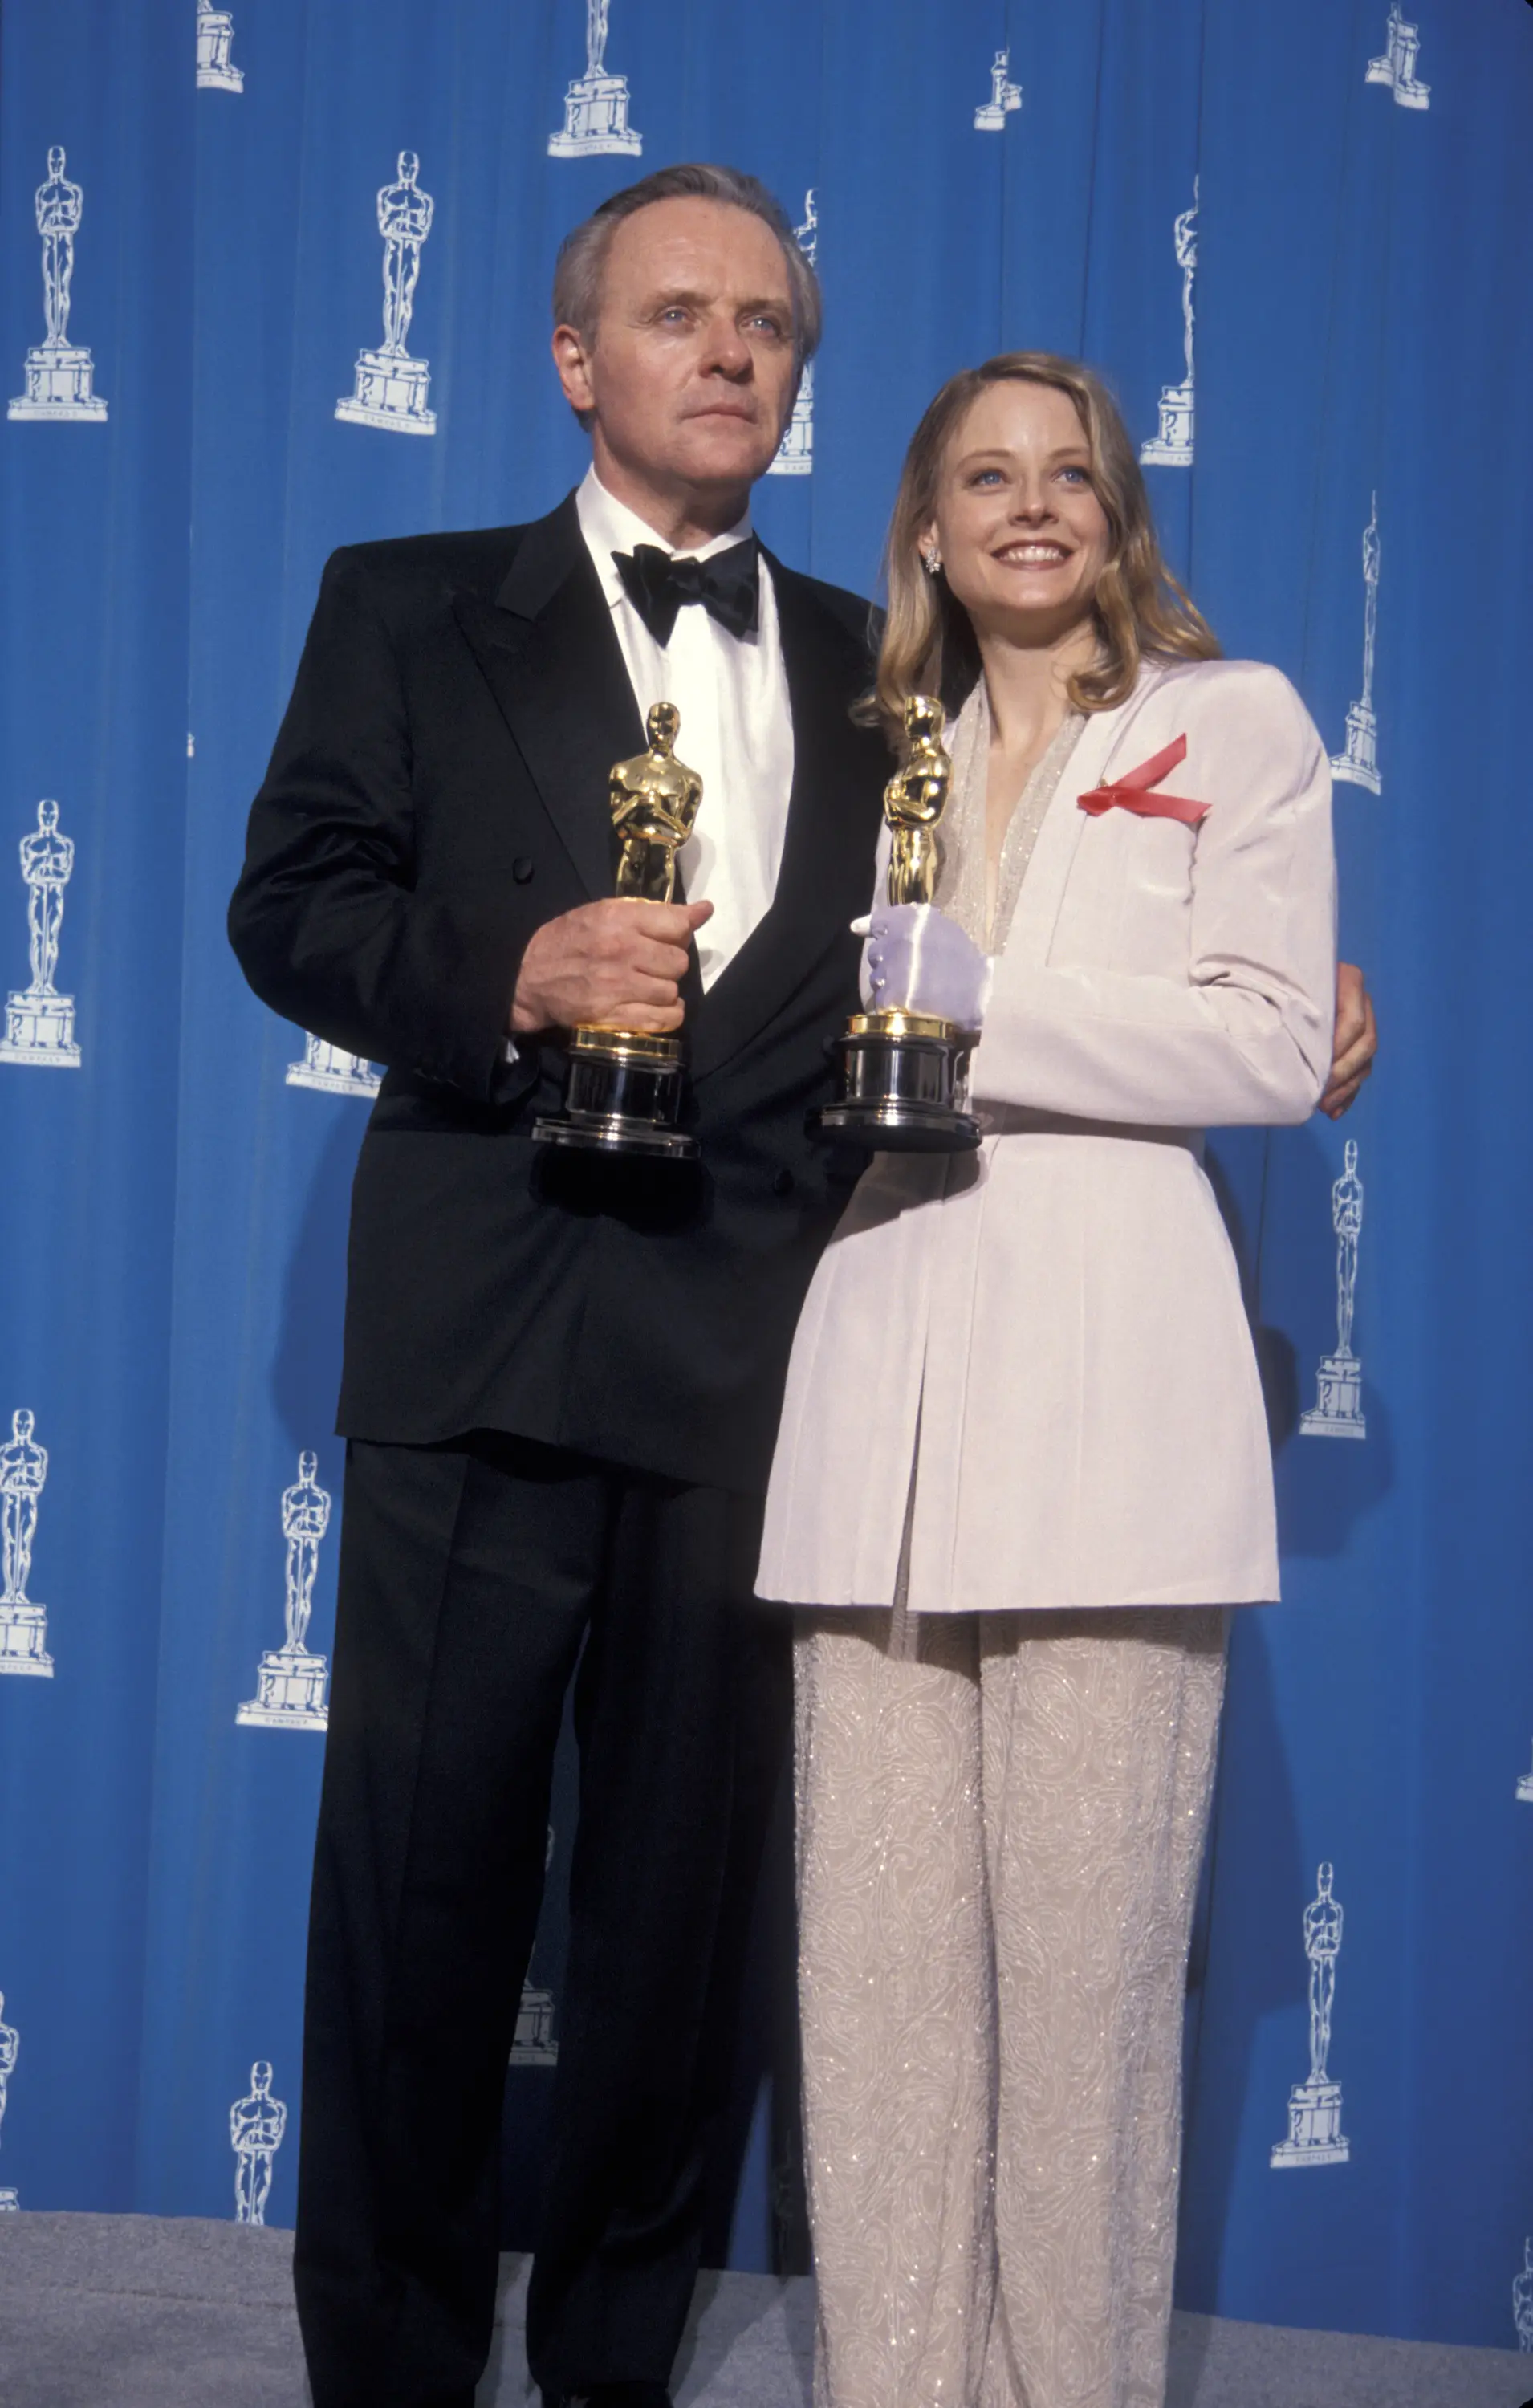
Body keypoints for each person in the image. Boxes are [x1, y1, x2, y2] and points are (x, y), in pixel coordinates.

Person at [229, 166, 1375, 2408]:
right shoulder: (406, 600)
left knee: (675, 1941)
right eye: (677, 316)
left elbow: (1035, 942)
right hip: (478, 1355)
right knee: (417, 1916)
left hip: (763, 1378)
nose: (729, 350)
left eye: (765, 321)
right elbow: (292, 907)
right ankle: (381, 2372)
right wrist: (504, 974)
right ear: (579, 360)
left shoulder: (889, 682)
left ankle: (617, 2367)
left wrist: (1298, 1001)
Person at [756, 352, 1344, 2408]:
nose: (1028, 507)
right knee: (881, 1993)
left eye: (1066, 475)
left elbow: (1272, 1047)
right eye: (981, 477)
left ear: (1116, 514)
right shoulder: (862, 754)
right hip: (876, 1406)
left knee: (1086, 2002)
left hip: (1110, 1409)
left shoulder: (1229, 721)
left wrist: (985, 1004)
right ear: (921, 523)